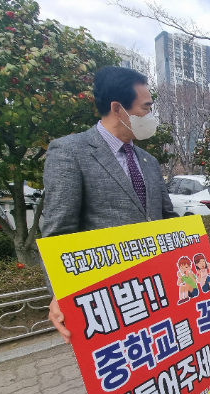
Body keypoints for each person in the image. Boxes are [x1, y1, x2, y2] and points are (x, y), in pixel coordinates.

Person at [45, 66, 177, 343]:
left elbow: (168, 218)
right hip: (108, 293)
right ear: (118, 109)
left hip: (156, 287)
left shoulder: (148, 161)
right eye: (146, 107)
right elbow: (59, 231)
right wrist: (60, 291)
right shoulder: (70, 152)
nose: (150, 116)